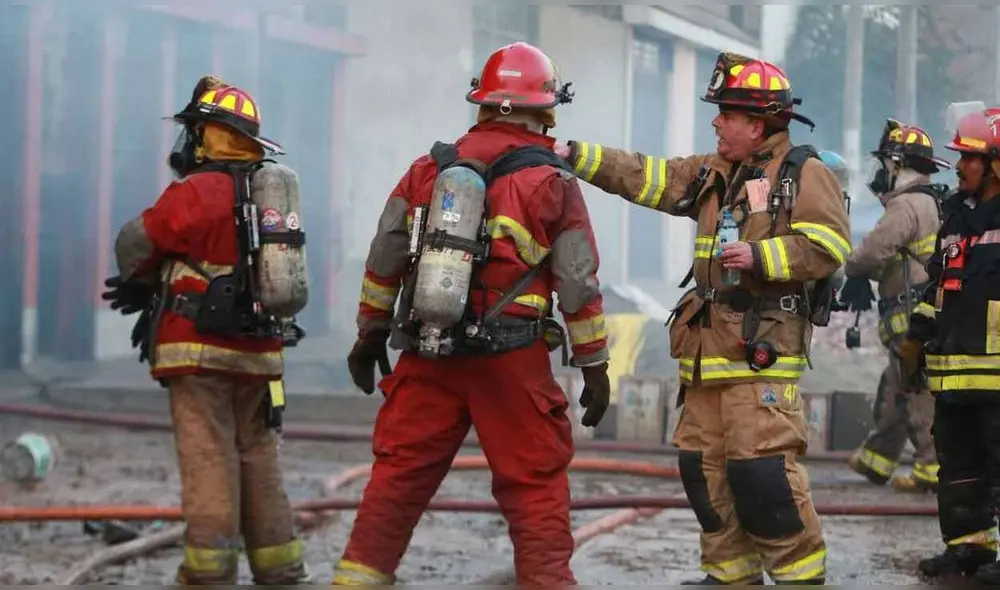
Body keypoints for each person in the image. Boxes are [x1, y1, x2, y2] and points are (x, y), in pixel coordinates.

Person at [555, 50, 852, 585]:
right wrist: (573, 154)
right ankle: (728, 576)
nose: (716, 121)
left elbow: (830, 246)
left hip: (761, 356)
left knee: (763, 477)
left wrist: (762, 256)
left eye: (727, 114)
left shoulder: (802, 172)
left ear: (757, 123)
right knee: (704, 475)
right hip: (704, 357)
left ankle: (800, 578)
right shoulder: (714, 173)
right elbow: (646, 175)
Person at [334, 41, 611, 585]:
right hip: (512, 360)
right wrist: (595, 363)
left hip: (428, 349)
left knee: (397, 477)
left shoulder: (426, 170)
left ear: (482, 104)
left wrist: (369, 335)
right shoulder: (552, 182)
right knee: (534, 488)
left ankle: (356, 578)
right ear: (545, 111)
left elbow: (384, 257)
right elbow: (577, 283)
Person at [101, 76, 311, 585]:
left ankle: (209, 574)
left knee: (208, 457)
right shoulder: (269, 196)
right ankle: (280, 567)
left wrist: (139, 279)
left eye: (194, 132)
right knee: (258, 455)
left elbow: (140, 240)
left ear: (207, 136)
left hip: (197, 349)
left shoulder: (195, 192)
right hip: (261, 351)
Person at [900, 102, 1000, 582]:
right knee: (959, 468)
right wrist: (916, 338)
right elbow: (938, 285)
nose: (959, 166)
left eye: (971, 157)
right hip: (955, 376)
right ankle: (969, 549)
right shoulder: (956, 216)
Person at [842, 120, 948, 494]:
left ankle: (931, 469)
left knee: (916, 388)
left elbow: (874, 249)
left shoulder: (905, 204)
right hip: (922, 309)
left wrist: (852, 268)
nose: (881, 174)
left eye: (885, 165)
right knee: (896, 386)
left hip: (910, 312)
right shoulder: (935, 199)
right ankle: (878, 459)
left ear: (897, 165)